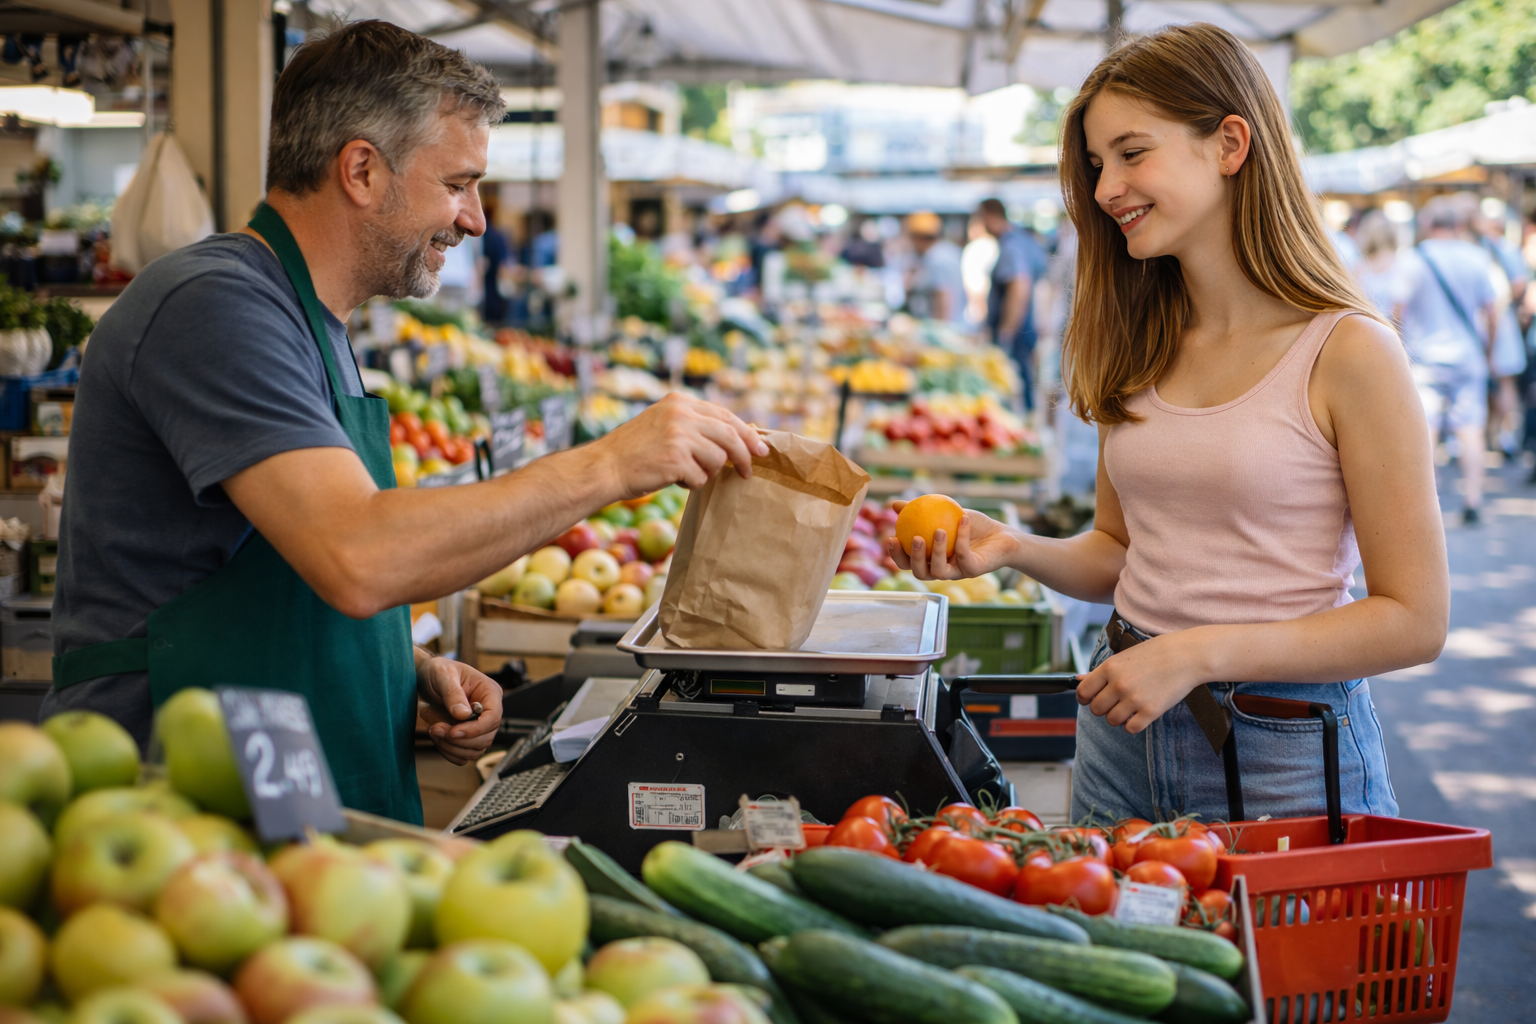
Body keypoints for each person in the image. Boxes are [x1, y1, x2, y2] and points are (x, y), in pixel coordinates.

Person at [43, 21, 768, 824]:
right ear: (360, 170)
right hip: (176, 809)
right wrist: (607, 466)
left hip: (278, 791)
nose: (477, 219)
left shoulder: (312, 322)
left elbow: (271, 559)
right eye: (458, 183)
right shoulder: (214, 306)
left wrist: (404, 665)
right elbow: (358, 552)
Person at [893, 23, 1448, 825]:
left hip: (1277, 746)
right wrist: (1013, 548)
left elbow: (1415, 619)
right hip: (1122, 730)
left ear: (1228, 144)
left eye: (1130, 152)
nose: (1107, 186)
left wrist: (1195, 652)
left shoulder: (1350, 351)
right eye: (1095, 166)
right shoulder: (1143, 339)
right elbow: (1122, 553)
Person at [1398, 195, 1500, 525]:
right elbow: (1492, 311)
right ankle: (1473, 498)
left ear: (1428, 225)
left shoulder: (1414, 260)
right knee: (1470, 429)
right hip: (1468, 355)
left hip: (1424, 358)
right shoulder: (1476, 258)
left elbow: (1396, 311)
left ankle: (1431, 502)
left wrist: (1399, 351)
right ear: (1458, 225)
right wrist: (1488, 349)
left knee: (1425, 430)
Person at [979, 198, 1048, 411]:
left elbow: (1019, 287)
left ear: (990, 217)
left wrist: (1006, 332)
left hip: (1017, 332)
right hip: (1026, 327)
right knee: (1025, 384)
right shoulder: (1023, 239)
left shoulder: (1011, 245)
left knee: (1016, 390)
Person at [1473, 201, 1529, 456]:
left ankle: (1501, 434)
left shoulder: (1481, 248)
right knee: (1501, 381)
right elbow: (1519, 284)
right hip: (1497, 319)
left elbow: (1518, 284)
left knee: (1498, 381)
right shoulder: (1497, 248)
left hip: (1489, 320)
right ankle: (1500, 435)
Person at [903, 211, 966, 324]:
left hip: (944, 330)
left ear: (918, 238)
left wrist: (939, 334)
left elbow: (943, 301)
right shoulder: (947, 250)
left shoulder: (935, 259)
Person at [1354, 210, 1410, 327]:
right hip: (1396, 332)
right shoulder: (1402, 263)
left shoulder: (1360, 266)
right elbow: (1400, 307)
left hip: (1367, 328)